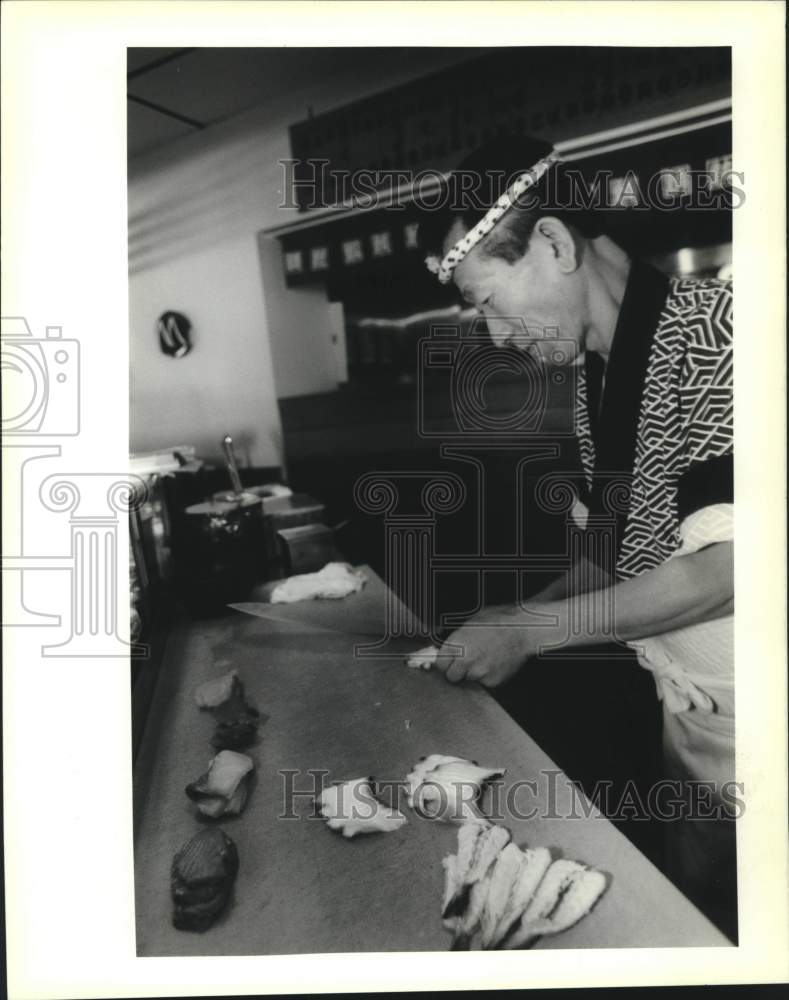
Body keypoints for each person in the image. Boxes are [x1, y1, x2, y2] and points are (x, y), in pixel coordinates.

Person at [420, 137, 735, 940]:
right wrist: (510, 618)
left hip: (760, 717)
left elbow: (727, 571)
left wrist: (530, 633)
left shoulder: (717, 329)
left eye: (490, 302)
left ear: (555, 244)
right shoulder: (592, 372)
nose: (495, 337)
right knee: (696, 918)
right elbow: (606, 553)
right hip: (688, 719)